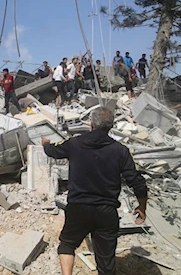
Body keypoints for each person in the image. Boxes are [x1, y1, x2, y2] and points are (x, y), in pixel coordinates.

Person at [41, 107, 148, 275]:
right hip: (107, 212)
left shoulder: (75, 143)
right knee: (106, 262)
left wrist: (45, 143)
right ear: (110, 126)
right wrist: (142, 207)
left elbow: (52, 151)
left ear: (91, 124)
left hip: (78, 207)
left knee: (67, 244)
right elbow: (137, 181)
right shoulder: (121, 150)